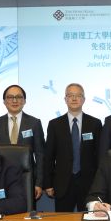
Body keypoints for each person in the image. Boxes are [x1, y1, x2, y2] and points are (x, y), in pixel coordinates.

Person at [43, 83, 102, 212]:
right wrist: (48, 184)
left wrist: (99, 184)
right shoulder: (54, 124)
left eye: (78, 95)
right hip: (63, 183)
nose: (74, 99)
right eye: (70, 95)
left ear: (84, 99)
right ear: (65, 99)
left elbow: (99, 156)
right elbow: (48, 157)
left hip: (89, 184)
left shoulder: (95, 124)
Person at [0, 84, 45, 200]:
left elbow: (40, 155)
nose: (14, 100)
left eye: (19, 97)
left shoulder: (34, 123)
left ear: (24, 101)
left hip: (27, 179)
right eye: (10, 97)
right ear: (4, 101)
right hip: (1, 179)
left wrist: (39, 183)